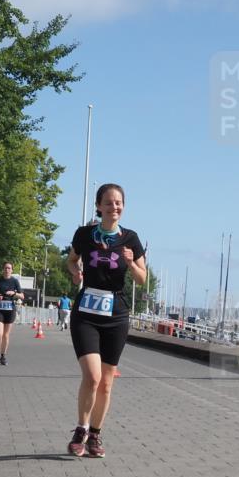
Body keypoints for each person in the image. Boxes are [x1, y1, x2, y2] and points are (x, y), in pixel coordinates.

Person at [66, 183, 146, 458]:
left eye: (119, 203)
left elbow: (142, 278)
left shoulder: (131, 239)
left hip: (116, 314)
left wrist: (132, 262)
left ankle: (96, 436)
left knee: (107, 383)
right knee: (92, 376)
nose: (115, 207)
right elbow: (71, 260)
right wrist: (76, 273)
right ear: (99, 207)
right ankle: (81, 429)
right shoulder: (84, 234)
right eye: (109, 203)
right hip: (86, 313)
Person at [0, 262, 24, 365]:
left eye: (9, 268)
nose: (7, 270)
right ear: (3, 269)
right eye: (5, 268)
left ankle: (3, 356)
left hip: (10, 310)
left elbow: (22, 296)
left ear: (12, 270)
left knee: (6, 335)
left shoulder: (14, 281)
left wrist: (14, 293)